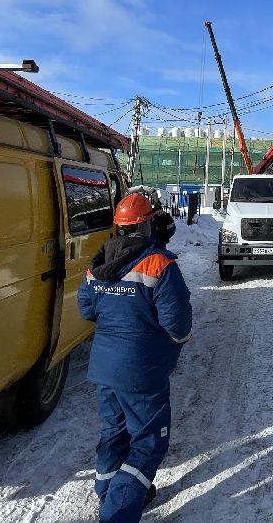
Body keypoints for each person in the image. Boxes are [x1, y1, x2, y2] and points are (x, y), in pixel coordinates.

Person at [79, 192, 192, 522]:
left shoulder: (96, 265)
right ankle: (118, 511)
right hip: (142, 372)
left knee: (114, 433)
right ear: (147, 224)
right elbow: (178, 324)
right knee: (147, 444)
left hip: (104, 369)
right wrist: (173, 344)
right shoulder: (159, 264)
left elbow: (87, 309)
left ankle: (110, 493)